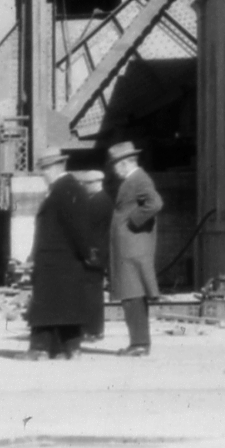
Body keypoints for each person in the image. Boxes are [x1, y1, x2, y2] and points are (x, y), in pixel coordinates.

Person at [24, 147, 105, 360]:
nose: (42, 174)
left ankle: (40, 349)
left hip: (60, 260)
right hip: (59, 261)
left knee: (49, 306)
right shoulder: (65, 189)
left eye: (45, 169)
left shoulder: (67, 189)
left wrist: (85, 253)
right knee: (61, 307)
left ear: (56, 167)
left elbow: (78, 227)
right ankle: (67, 348)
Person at [104, 138, 164, 356]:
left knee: (132, 296)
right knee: (132, 296)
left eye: (115, 165)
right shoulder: (135, 179)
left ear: (124, 163)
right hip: (130, 248)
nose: (114, 170)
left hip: (133, 248)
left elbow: (155, 203)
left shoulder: (138, 179)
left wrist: (132, 222)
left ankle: (139, 344)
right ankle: (138, 342)